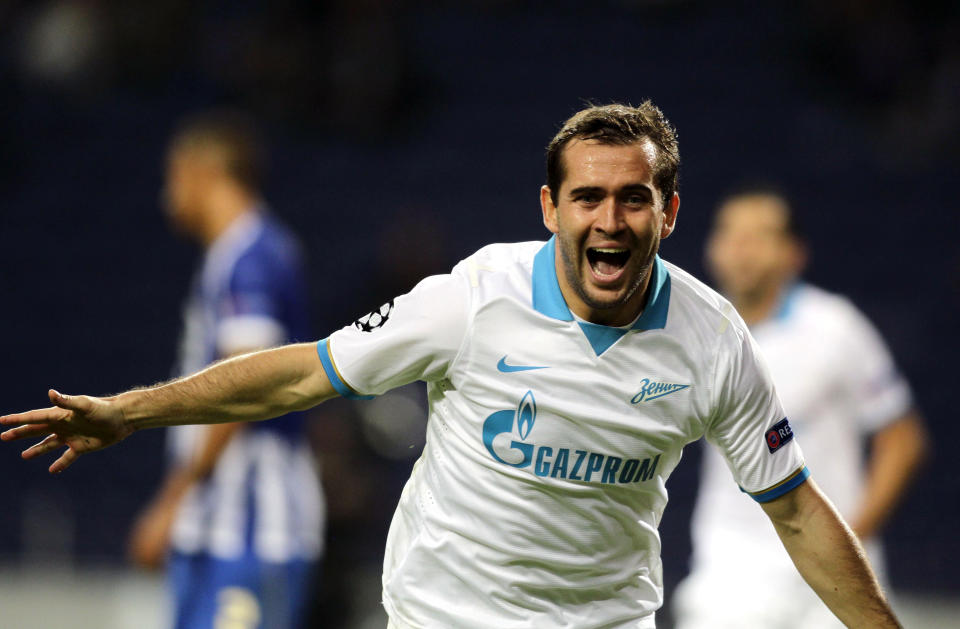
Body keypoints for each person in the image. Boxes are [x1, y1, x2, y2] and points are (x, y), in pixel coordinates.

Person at [2, 103, 902, 629]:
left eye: (636, 199)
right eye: (587, 196)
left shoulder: (711, 339)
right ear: (551, 207)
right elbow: (298, 374)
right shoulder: (472, 296)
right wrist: (128, 410)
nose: (611, 219)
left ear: (669, 210)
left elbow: (793, 511)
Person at [672, 188, 928, 629]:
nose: (742, 249)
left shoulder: (835, 327)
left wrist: (851, 537)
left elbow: (902, 440)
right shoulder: (692, 331)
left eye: (760, 235)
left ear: (794, 253)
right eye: (730, 234)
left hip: (831, 567)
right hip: (732, 571)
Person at [124, 112, 324, 629]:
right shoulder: (235, 256)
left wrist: (171, 501)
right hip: (221, 520)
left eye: (172, 175)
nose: (167, 192)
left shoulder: (251, 260)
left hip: (254, 522)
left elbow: (242, 390)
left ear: (202, 171)